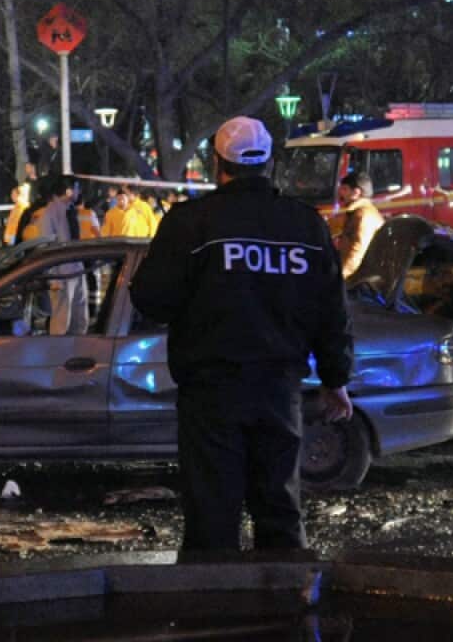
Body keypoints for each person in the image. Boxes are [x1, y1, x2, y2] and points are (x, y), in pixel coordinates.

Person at [130, 115, 353, 552]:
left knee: (213, 509)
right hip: (280, 388)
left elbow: (152, 300)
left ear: (218, 163)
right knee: (280, 505)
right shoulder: (305, 226)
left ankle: (215, 608)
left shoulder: (191, 223)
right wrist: (335, 380)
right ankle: (290, 603)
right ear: (269, 163)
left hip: (211, 390)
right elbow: (332, 310)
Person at [37, 176, 87, 336]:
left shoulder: (70, 209)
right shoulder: (50, 213)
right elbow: (46, 248)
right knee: (62, 320)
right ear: (68, 191)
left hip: (77, 269)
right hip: (62, 274)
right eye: (77, 188)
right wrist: (53, 278)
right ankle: (57, 355)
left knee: (79, 318)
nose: (79, 192)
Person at [329, 172, 385, 278]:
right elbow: (333, 228)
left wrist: (340, 277)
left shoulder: (363, 216)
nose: (340, 193)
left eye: (344, 189)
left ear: (356, 192)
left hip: (360, 279)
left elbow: (357, 251)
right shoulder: (354, 212)